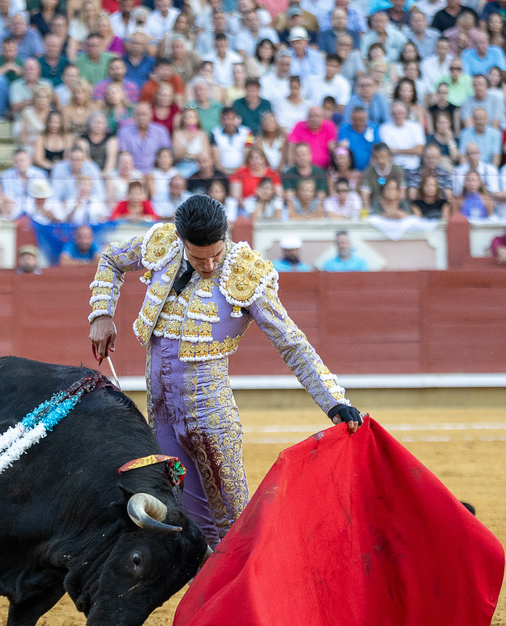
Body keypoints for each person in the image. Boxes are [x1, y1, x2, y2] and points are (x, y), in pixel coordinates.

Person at [87, 198, 363, 597]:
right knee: (182, 529)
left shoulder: (246, 273)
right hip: (161, 419)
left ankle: (257, 621)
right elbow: (112, 259)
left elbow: (292, 344)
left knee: (234, 529)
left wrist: (333, 400)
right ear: (181, 241)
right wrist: (101, 313)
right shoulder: (162, 244)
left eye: (216, 254)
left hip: (212, 421)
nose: (210, 266)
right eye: (199, 258)